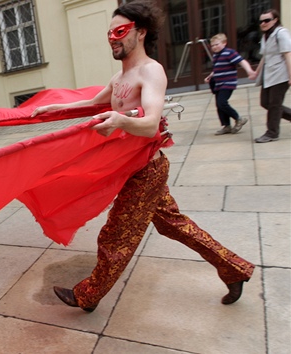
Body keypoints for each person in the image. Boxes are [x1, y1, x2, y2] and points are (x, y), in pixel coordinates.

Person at [31, 0, 254, 312]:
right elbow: (91, 105)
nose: (113, 38)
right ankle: (233, 268)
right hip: (133, 167)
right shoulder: (119, 77)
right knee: (173, 224)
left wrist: (120, 120)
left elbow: (150, 125)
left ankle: (88, 295)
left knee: (116, 236)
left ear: (140, 32)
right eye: (109, 33)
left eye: (120, 31)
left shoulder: (151, 71)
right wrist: (54, 109)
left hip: (145, 171)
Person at [248, 9, 291, 143]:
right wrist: (256, 72)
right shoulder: (266, 35)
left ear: (275, 20)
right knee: (265, 102)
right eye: (261, 21)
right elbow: (265, 56)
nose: (263, 23)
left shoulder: (281, 33)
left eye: (267, 20)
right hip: (269, 75)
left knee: (274, 105)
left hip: (281, 75)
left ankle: (272, 133)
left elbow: (288, 54)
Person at [204, 33, 255, 135]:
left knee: (222, 102)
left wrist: (249, 70)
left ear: (224, 43)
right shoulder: (216, 56)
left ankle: (238, 118)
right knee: (219, 105)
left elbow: (242, 61)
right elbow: (217, 68)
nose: (214, 47)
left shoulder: (229, 53)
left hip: (227, 83)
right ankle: (226, 125)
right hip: (218, 84)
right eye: (212, 46)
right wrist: (211, 75)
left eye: (217, 44)